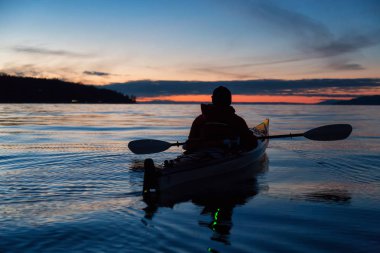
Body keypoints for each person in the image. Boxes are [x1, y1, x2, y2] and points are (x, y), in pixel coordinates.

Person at [184, 86, 258, 152]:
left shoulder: (200, 120)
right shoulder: (237, 120)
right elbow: (252, 143)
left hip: (200, 156)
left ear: (212, 99)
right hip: (224, 157)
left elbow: (190, 142)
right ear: (230, 100)